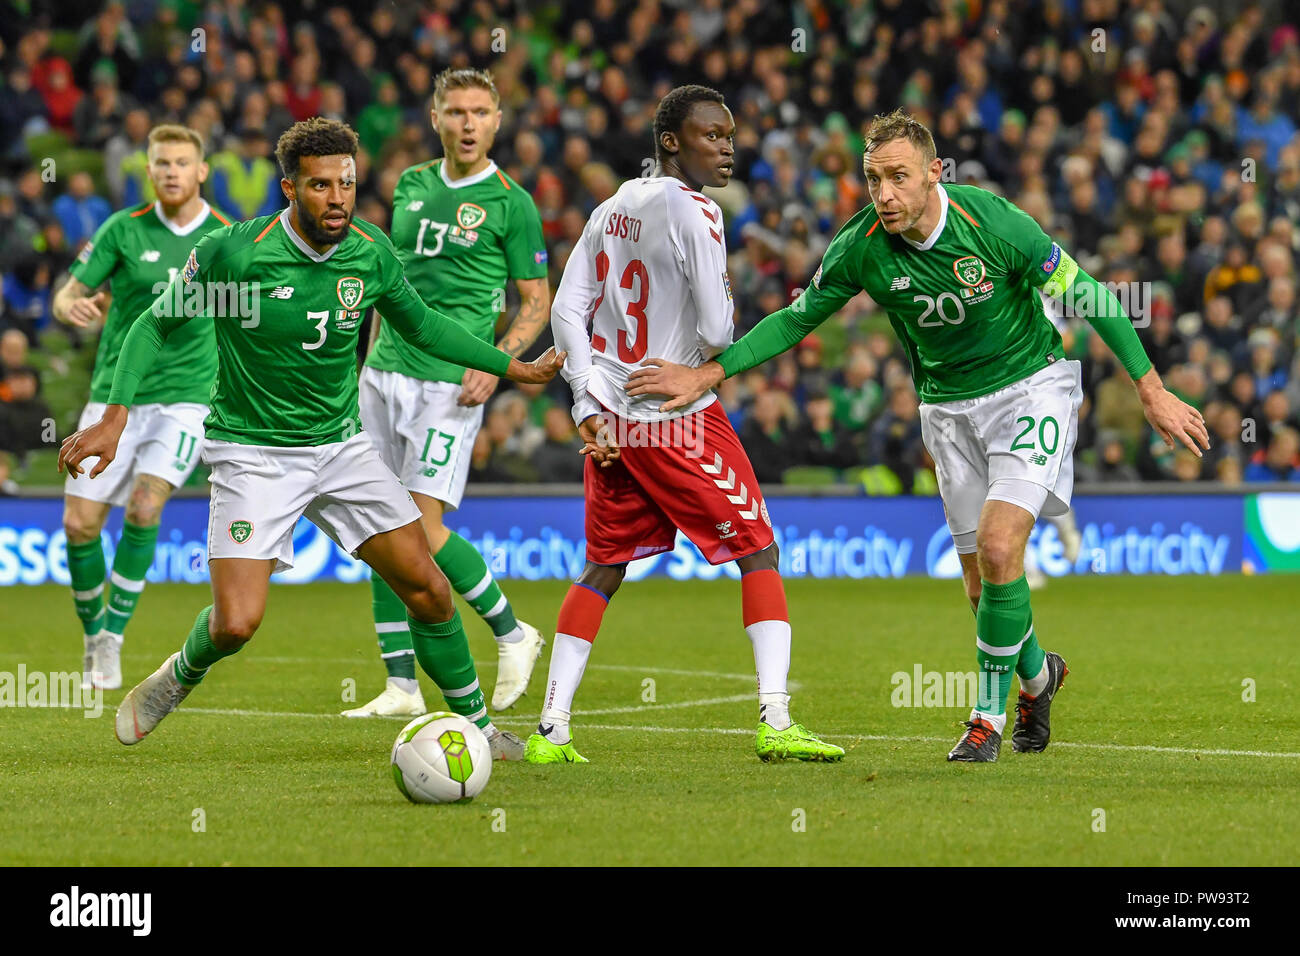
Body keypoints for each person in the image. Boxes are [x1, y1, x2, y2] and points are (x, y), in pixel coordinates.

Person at [629, 109, 1208, 762]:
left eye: (898, 177)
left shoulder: (994, 223)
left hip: (1031, 389)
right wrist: (708, 372)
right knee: (980, 585)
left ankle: (986, 718)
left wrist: (1150, 388)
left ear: (935, 174)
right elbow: (795, 320)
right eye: (873, 179)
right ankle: (1040, 677)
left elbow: (1094, 296)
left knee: (997, 548)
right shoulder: (862, 246)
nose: (884, 194)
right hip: (947, 410)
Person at [58, 118, 564, 759]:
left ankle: (481, 728)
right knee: (237, 624)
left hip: (340, 447)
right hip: (252, 451)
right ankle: (179, 672)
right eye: (321, 185)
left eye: (347, 183)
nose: (338, 198)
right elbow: (153, 324)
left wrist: (511, 366)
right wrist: (114, 414)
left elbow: (426, 327)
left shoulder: (371, 252)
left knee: (430, 590)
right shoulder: (235, 253)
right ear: (290, 187)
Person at [533, 85, 843, 764]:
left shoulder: (611, 206)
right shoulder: (697, 211)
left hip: (613, 423)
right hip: (677, 420)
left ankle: (551, 730)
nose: (727, 147)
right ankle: (776, 720)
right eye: (712, 135)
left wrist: (587, 402)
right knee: (758, 550)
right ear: (671, 141)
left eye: (730, 136)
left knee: (603, 565)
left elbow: (567, 309)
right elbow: (717, 329)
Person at [346, 69, 552, 719]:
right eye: (455, 111)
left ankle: (513, 633)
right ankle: (401, 687)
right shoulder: (409, 184)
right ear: (435, 119)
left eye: (479, 112)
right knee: (378, 528)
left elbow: (535, 302)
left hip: (449, 383)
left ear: (497, 121)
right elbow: (387, 284)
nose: (467, 123)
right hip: (382, 374)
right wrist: (363, 365)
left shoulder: (511, 203)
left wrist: (498, 364)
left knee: (423, 527)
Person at [52, 124, 233, 690]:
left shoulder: (229, 237)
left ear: (202, 170)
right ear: (148, 171)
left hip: (185, 402)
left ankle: (113, 641)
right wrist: (70, 307)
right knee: (80, 525)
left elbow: (250, 312)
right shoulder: (122, 230)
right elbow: (67, 292)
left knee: (144, 508)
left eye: (182, 162)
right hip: (114, 398)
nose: (171, 171)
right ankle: (92, 634)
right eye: (161, 163)